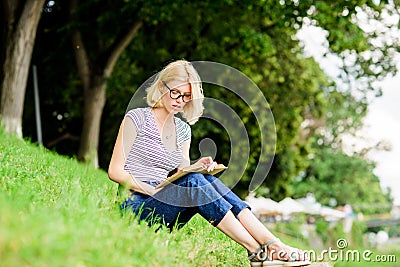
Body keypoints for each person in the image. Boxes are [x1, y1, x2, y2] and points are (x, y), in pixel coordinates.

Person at [108, 60, 310, 267]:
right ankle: (260, 251)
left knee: (201, 179)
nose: (180, 101)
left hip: (165, 206)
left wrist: (199, 166)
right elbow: (115, 171)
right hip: (134, 207)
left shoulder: (183, 130)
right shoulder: (137, 118)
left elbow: (182, 173)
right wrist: (154, 191)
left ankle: (271, 246)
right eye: (175, 93)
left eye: (186, 96)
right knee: (196, 181)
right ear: (162, 87)